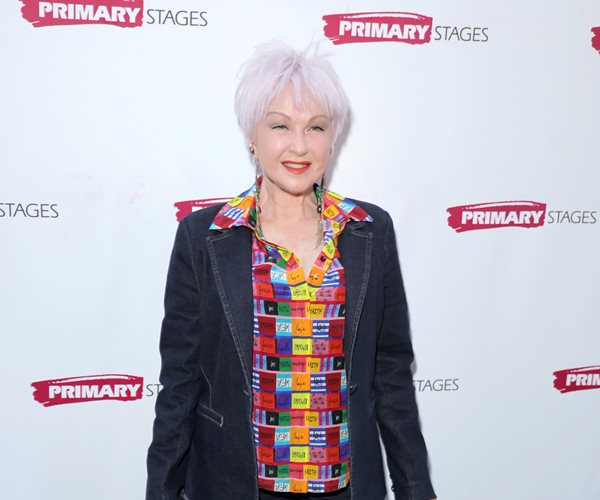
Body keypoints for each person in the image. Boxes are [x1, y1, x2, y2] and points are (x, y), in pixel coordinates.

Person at [146, 41, 437, 500]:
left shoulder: (368, 230)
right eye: (280, 125)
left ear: (332, 138)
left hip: (345, 488)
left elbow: (391, 376)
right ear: (252, 135)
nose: (299, 146)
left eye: (315, 127)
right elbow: (180, 384)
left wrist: (415, 489)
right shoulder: (204, 236)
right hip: (235, 486)